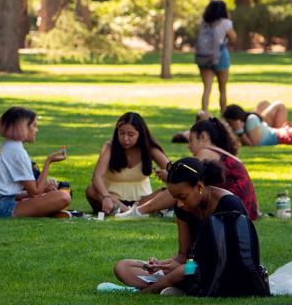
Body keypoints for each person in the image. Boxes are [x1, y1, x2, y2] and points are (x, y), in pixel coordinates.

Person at [111, 157, 261, 295]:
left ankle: (147, 291)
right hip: (194, 269)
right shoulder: (184, 209)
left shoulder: (228, 204)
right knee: (123, 267)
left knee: (183, 271)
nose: (179, 204)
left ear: (200, 187)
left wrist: (182, 268)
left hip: (225, 272)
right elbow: (183, 255)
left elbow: (232, 259)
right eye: (175, 198)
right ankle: (176, 287)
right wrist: (163, 265)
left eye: (182, 197)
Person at [122, 118, 258, 220]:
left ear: (203, 137)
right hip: (247, 209)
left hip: (233, 209)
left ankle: (137, 212)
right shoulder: (219, 152)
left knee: (180, 190)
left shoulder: (206, 152)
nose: (189, 146)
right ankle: (134, 209)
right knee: (176, 191)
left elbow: (188, 181)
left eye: (191, 140)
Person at [0, 106, 71, 218]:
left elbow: (8, 192)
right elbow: (35, 192)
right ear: (22, 127)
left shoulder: (5, 145)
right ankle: (47, 210)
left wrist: (45, 190)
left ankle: (46, 209)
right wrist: (48, 161)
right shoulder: (17, 151)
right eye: (34, 126)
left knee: (43, 197)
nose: (37, 130)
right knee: (63, 197)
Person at [85, 112, 170, 215]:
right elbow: (96, 177)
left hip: (143, 201)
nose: (125, 139)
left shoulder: (150, 149)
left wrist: (167, 177)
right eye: (121, 133)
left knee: (168, 191)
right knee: (91, 190)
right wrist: (106, 196)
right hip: (113, 200)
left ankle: (133, 212)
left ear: (140, 134)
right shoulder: (110, 147)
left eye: (131, 134)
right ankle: (131, 213)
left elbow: (174, 171)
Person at [195, 0, 235, 114]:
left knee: (206, 88)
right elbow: (233, 38)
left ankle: (204, 114)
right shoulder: (225, 23)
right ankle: (223, 114)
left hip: (203, 56)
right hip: (220, 55)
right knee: (222, 88)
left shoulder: (204, 22)